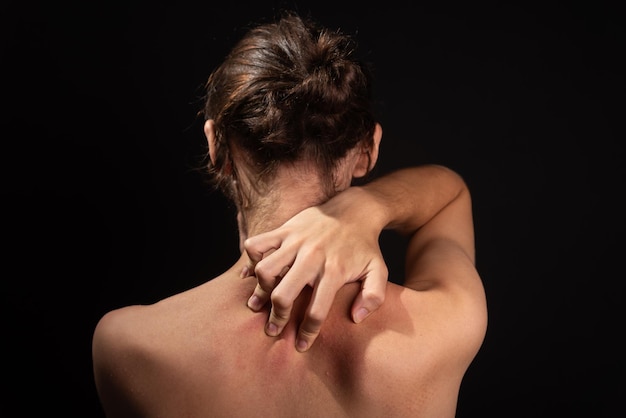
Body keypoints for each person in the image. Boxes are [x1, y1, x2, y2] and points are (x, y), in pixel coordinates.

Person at [92, 11, 487, 417]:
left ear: (216, 148)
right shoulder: (439, 325)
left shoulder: (131, 346)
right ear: (369, 149)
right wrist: (367, 207)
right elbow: (450, 192)